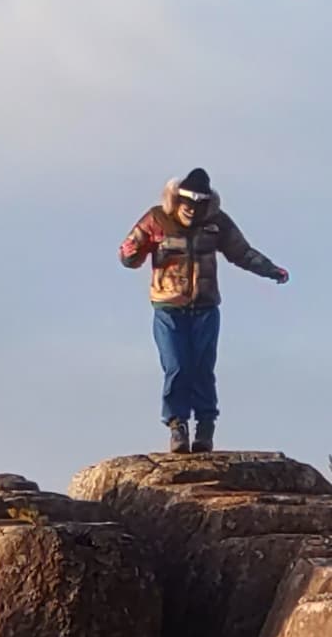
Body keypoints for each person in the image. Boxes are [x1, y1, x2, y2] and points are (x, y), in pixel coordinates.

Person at [117, 167, 288, 452]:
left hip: (205, 308)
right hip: (168, 307)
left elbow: (241, 252)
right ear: (177, 201)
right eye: (187, 205)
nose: (192, 211)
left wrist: (271, 270)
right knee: (177, 366)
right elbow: (129, 254)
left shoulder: (216, 223)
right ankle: (177, 426)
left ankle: (205, 428)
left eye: (199, 206)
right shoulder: (157, 219)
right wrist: (131, 251)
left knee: (203, 369)